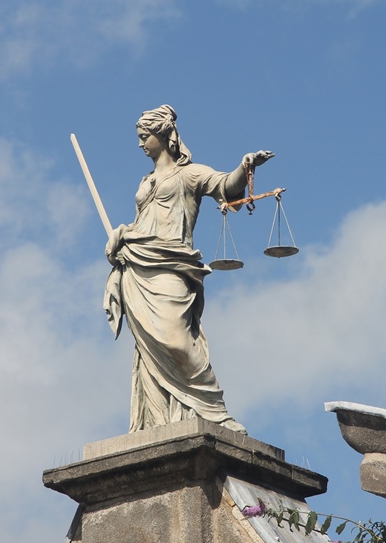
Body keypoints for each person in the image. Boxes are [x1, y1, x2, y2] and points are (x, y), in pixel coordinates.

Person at [104, 105, 273, 433]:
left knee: (177, 340)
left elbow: (225, 186)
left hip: (173, 265)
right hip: (138, 267)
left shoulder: (189, 174)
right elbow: (143, 222)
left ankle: (215, 412)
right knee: (149, 349)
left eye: (145, 137)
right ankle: (158, 420)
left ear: (164, 136)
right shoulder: (147, 180)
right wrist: (121, 238)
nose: (140, 144)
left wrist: (245, 165)